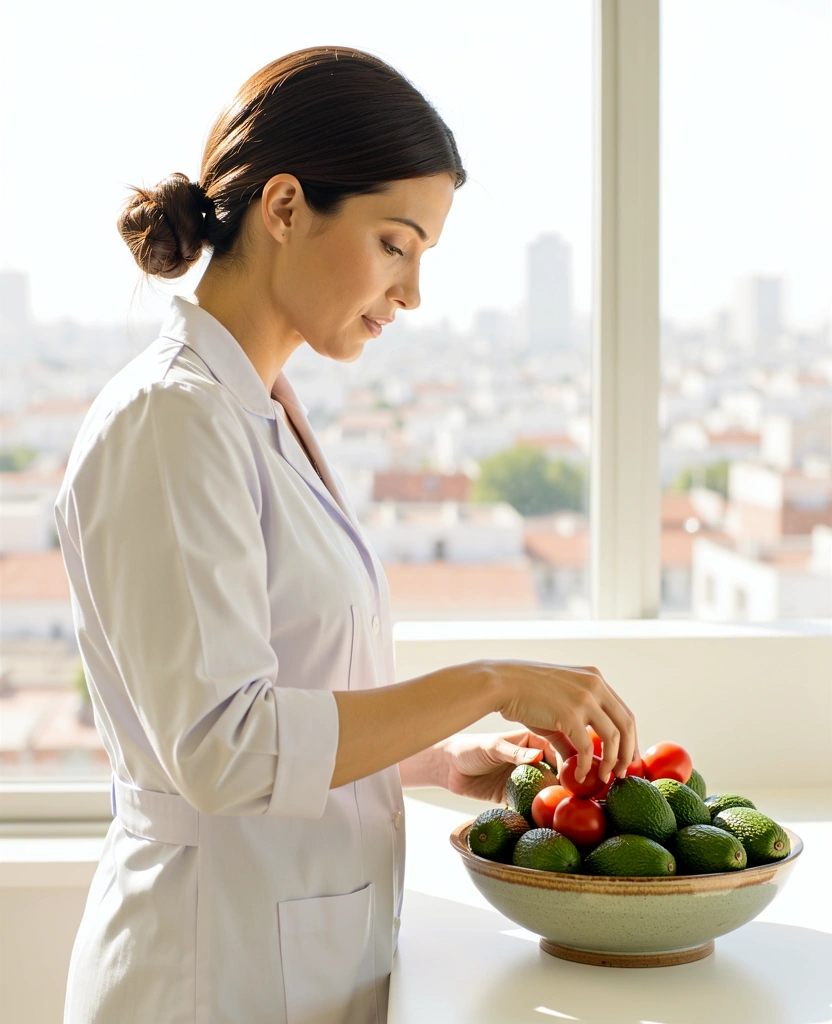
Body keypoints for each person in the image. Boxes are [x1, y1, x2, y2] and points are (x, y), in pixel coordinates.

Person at [54, 46, 639, 1024]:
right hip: (205, 971)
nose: (410, 295)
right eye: (395, 244)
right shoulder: (171, 421)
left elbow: (287, 691)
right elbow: (224, 747)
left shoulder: (257, 410)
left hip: (303, 949)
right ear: (284, 208)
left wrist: (435, 758)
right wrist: (489, 680)